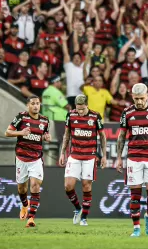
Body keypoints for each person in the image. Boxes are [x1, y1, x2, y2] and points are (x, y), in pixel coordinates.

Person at [116, 83, 148, 237]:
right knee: (135, 195)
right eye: (136, 98)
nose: (139, 101)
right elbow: (121, 136)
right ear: (132, 96)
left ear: (147, 96)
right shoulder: (127, 112)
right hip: (134, 158)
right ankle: (136, 228)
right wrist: (119, 158)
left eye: (141, 98)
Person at [59, 95, 107, 226]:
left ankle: (84, 217)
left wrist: (104, 155)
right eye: (78, 109)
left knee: (86, 185)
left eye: (82, 109)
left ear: (87, 105)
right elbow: (67, 134)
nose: (80, 112)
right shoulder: (70, 115)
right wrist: (63, 153)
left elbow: (102, 136)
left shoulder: (95, 116)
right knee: (68, 186)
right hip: (74, 155)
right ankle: (78, 209)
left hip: (89, 156)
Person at [4, 95, 52, 228]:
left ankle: (31, 218)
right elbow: (7, 132)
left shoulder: (45, 120)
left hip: (36, 158)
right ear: (28, 106)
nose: (36, 106)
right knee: (21, 188)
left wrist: (46, 137)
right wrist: (20, 133)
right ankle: (25, 205)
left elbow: (44, 135)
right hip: (21, 157)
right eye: (33, 103)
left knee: (35, 185)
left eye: (38, 103)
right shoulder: (21, 117)